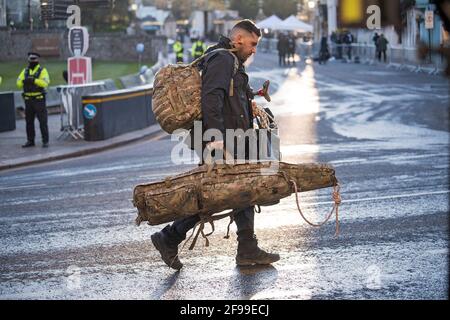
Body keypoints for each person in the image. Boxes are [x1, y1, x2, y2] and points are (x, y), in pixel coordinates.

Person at [151, 19, 280, 270]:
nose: (254, 50)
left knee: (243, 190)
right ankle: (169, 237)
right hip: (223, 139)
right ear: (239, 39)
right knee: (213, 195)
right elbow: (211, 98)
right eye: (252, 44)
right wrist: (215, 139)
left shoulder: (228, 59)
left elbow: (227, 96)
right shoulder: (223, 59)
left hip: (235, 138)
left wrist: (250, 98)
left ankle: (247, 248)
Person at [17, 52, 50, 148]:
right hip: (28, 100)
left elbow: (45, 83)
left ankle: (45, 141)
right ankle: (30, 141)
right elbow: (18, 83)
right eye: (31, 59)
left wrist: (34, 80)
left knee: (43, 121)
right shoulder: (25, 71)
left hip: (39, 100)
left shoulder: (42, 71)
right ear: (28, 60)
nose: (32, 61)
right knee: (29, 122)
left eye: (34, 59)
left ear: (38, 60)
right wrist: (24, 81)